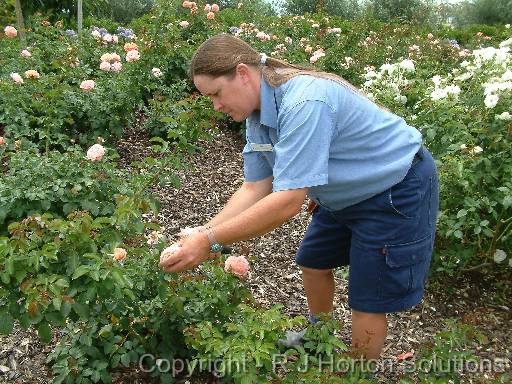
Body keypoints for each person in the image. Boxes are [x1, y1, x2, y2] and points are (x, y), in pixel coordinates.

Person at [159, 33, 439, 360]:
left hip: (394, 186)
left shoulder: (305, 102)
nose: (216, 106)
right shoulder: (257, 117)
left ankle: (356, 375)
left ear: (243, 74)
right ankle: (320, 338)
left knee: (368, 297)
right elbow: (255, 187)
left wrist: (209, 241)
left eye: (217, 94)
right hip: (344, 192)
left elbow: (288, 201)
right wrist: (200, 233)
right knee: (313, 261)